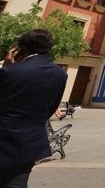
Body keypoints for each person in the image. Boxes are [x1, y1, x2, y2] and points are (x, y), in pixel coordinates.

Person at [0, 30, 68, 188]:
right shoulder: (60, 74)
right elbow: (51, 108)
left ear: (21, 48)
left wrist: (6, 67)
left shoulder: (10, 71)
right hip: (30, 142)